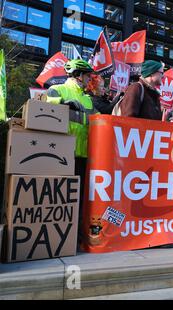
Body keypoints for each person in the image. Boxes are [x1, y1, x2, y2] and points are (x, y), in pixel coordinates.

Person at [46, 59, 99, 237]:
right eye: (87, 76)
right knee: (61, 198)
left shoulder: (87, 98)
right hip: (62, 153)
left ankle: (74, 236)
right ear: (78, 75)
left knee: (79, 198)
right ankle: (58, 234)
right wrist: (64, 102)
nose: (89, 79)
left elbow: (97, 120)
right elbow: (46, 106)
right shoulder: (58, 89)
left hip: (84, 154)